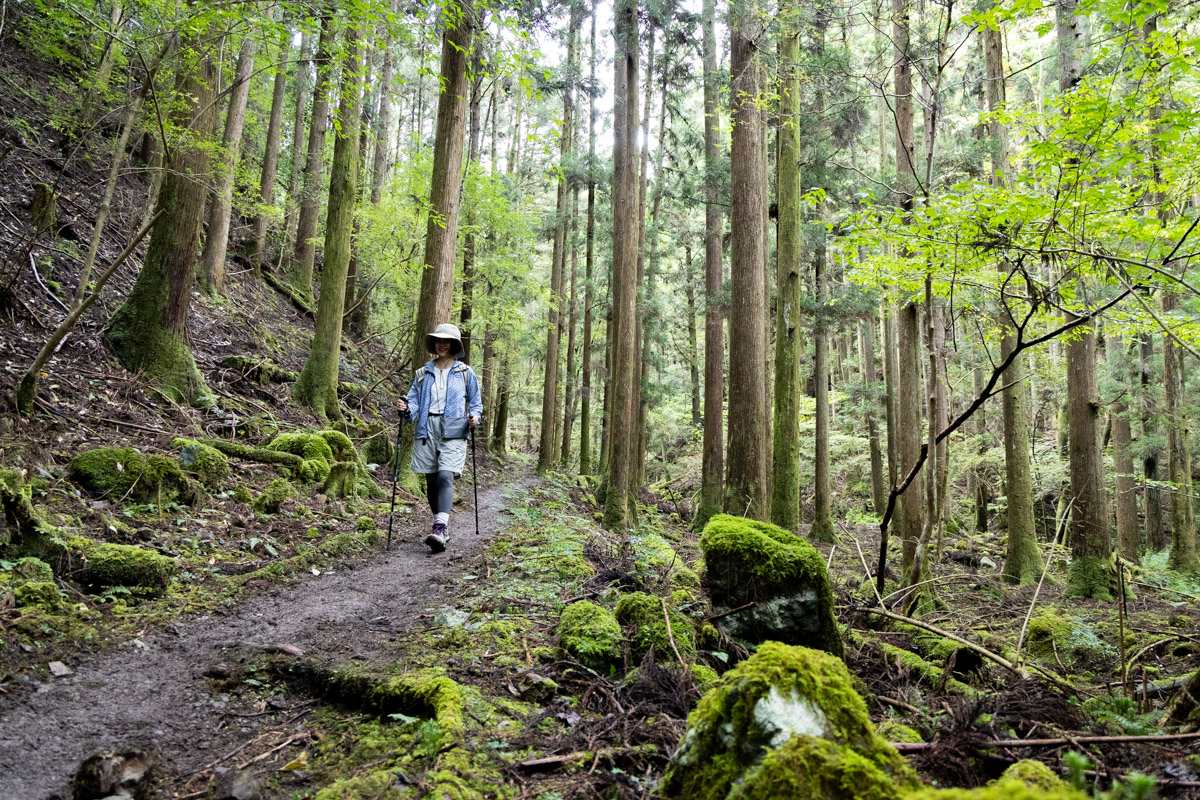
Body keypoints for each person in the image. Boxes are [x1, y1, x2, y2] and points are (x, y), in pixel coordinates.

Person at [396, 323, 482, 553]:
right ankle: (440, 528)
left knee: (446, 476)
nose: (441, 344)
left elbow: (476, 403)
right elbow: (413, 403)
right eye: (438, 340)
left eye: (447, 341)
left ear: (454, 345)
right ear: (434, 344)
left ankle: (439, 527)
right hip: (426, 427)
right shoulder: (423, 373)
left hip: (454, 428)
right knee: (431, 481)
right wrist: (405, 408)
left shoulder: (465, 372)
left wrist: (475, 416)